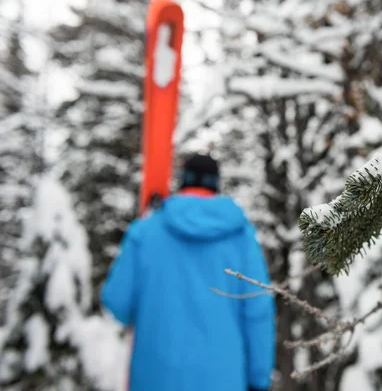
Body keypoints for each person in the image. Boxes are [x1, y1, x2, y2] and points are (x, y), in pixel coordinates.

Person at [101, 153, 276, 391]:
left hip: (155, 378)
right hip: (224, 380)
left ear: (183, 181)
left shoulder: (145, 231)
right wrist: (258, 380)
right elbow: (258, 312)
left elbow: (117, 302)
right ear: (216, 184)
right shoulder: (242, 237)